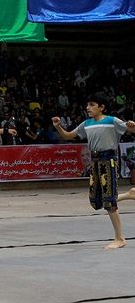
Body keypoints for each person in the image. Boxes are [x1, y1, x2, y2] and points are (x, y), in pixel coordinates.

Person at [53, 94, 135, 249]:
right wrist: (58, 125)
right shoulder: (87, 123)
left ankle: (120, 238)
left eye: (92, 105)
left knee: (109, 202)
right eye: (87, 105)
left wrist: (132, 124)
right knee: (96, 201)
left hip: (109, 160)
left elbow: (131, 128)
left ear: (101, 107)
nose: (88, 108)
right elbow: (68, 135)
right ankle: (129, 195)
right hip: (95, 161)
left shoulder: (112, 121)